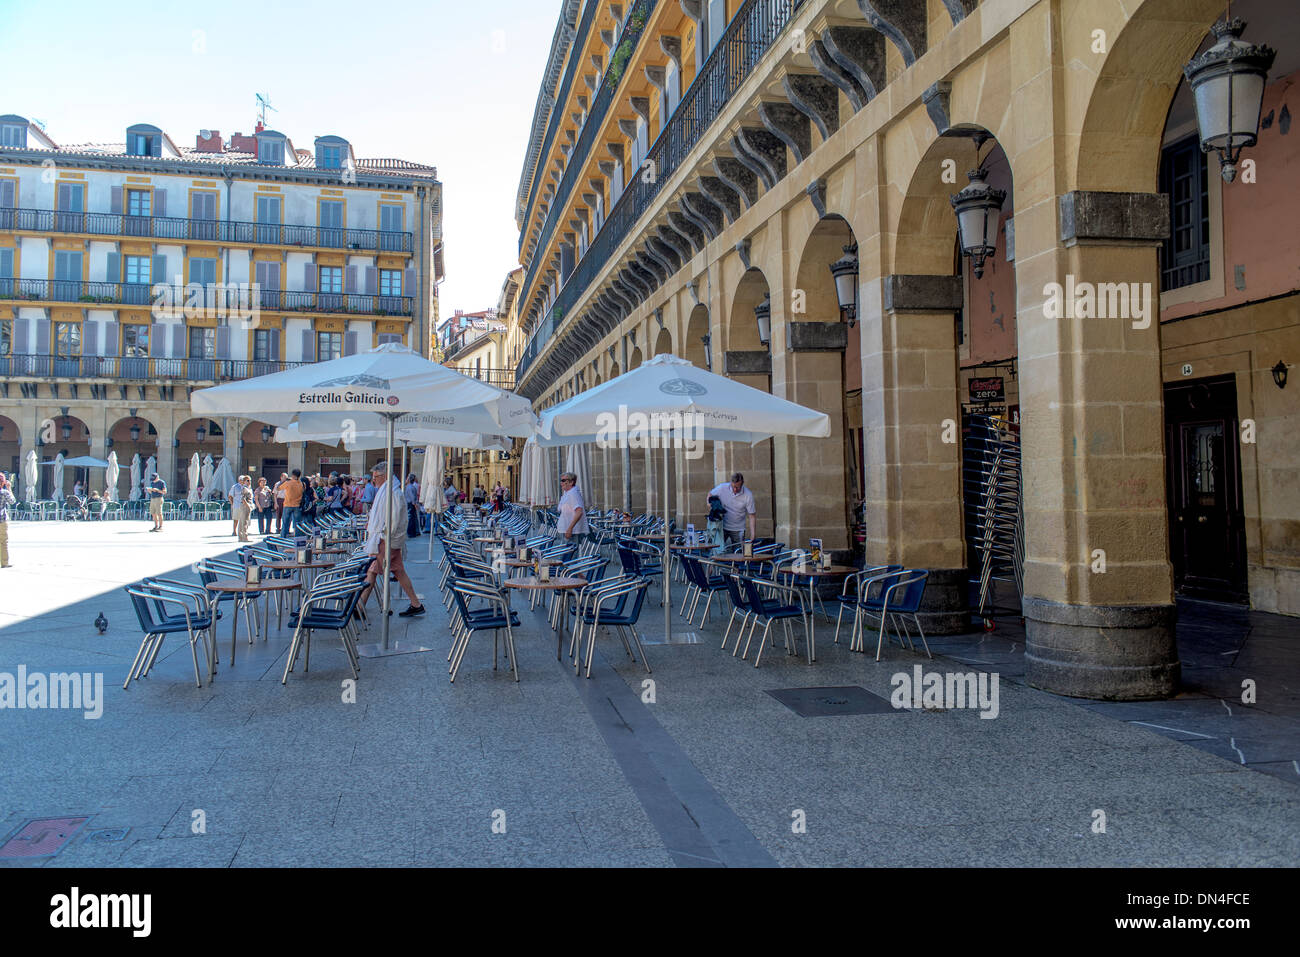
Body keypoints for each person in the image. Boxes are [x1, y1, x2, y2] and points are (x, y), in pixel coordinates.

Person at [358, 462, 424, 617]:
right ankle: (415, 604)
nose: (374, 480)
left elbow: (393, 519)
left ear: (384, 475)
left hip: (387, 540)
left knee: (374, 570)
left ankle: (364, 606)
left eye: (375, 477)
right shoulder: (388, 491)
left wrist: (383, 536)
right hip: (387, 539)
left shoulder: (393, 493)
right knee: (389, 571)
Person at [708, 472, 757, 546]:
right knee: (717, 549)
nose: (735, 489)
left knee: (739, 553)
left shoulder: (748, 495)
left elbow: (751, 515)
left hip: (738, 528)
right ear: (731, 483)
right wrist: (709, 504)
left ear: (742, 484)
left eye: (737, 487)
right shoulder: (722, 488)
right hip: (722, 526)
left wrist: (753, 534)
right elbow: (710, 494)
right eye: (733, 486)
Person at [557, 471, 588, 543]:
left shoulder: (573, 493)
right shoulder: (568, 493)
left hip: (572, 531)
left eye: (563, 480)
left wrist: (570, 528)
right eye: (561, 480)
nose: (561, 483)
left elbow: (579, 512)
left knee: (571, 553)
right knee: (567, 552)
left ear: (571, 482)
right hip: (566, 529)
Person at [281, 468, 305, 536]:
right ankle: (297, 538)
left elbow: (278, 488)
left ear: (293, 475)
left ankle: (283, 537)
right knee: (297, 523)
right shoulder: (302, 484)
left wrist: (285, 481)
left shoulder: (288, 483)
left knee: (285, 522)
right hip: (297, 505)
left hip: (287, 504)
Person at [233, 475, 254, 542]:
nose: (249, 482)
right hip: (245, 506)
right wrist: (248, 506)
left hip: (248, 505)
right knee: (244, 521)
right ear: (244, 481)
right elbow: (243, 499)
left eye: (250, 480)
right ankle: (244, 537)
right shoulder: (244, 488)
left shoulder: (249, 488)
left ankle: (241, 537)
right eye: (247, 480)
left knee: (243, 521)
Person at [0, 473, 15, 567]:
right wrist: (9, 488)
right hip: (2, 520)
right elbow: (12, 501)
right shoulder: (4, 492)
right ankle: (4, 562)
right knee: (3, 541)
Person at [404, 474, 421, 538]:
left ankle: (410, 532)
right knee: (413, 518)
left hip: (410, 504)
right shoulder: (412, 487)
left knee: (410, 519)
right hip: (412, 504)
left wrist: (414, 503)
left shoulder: (409, 487)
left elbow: (412, 497)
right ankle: (413, 532)